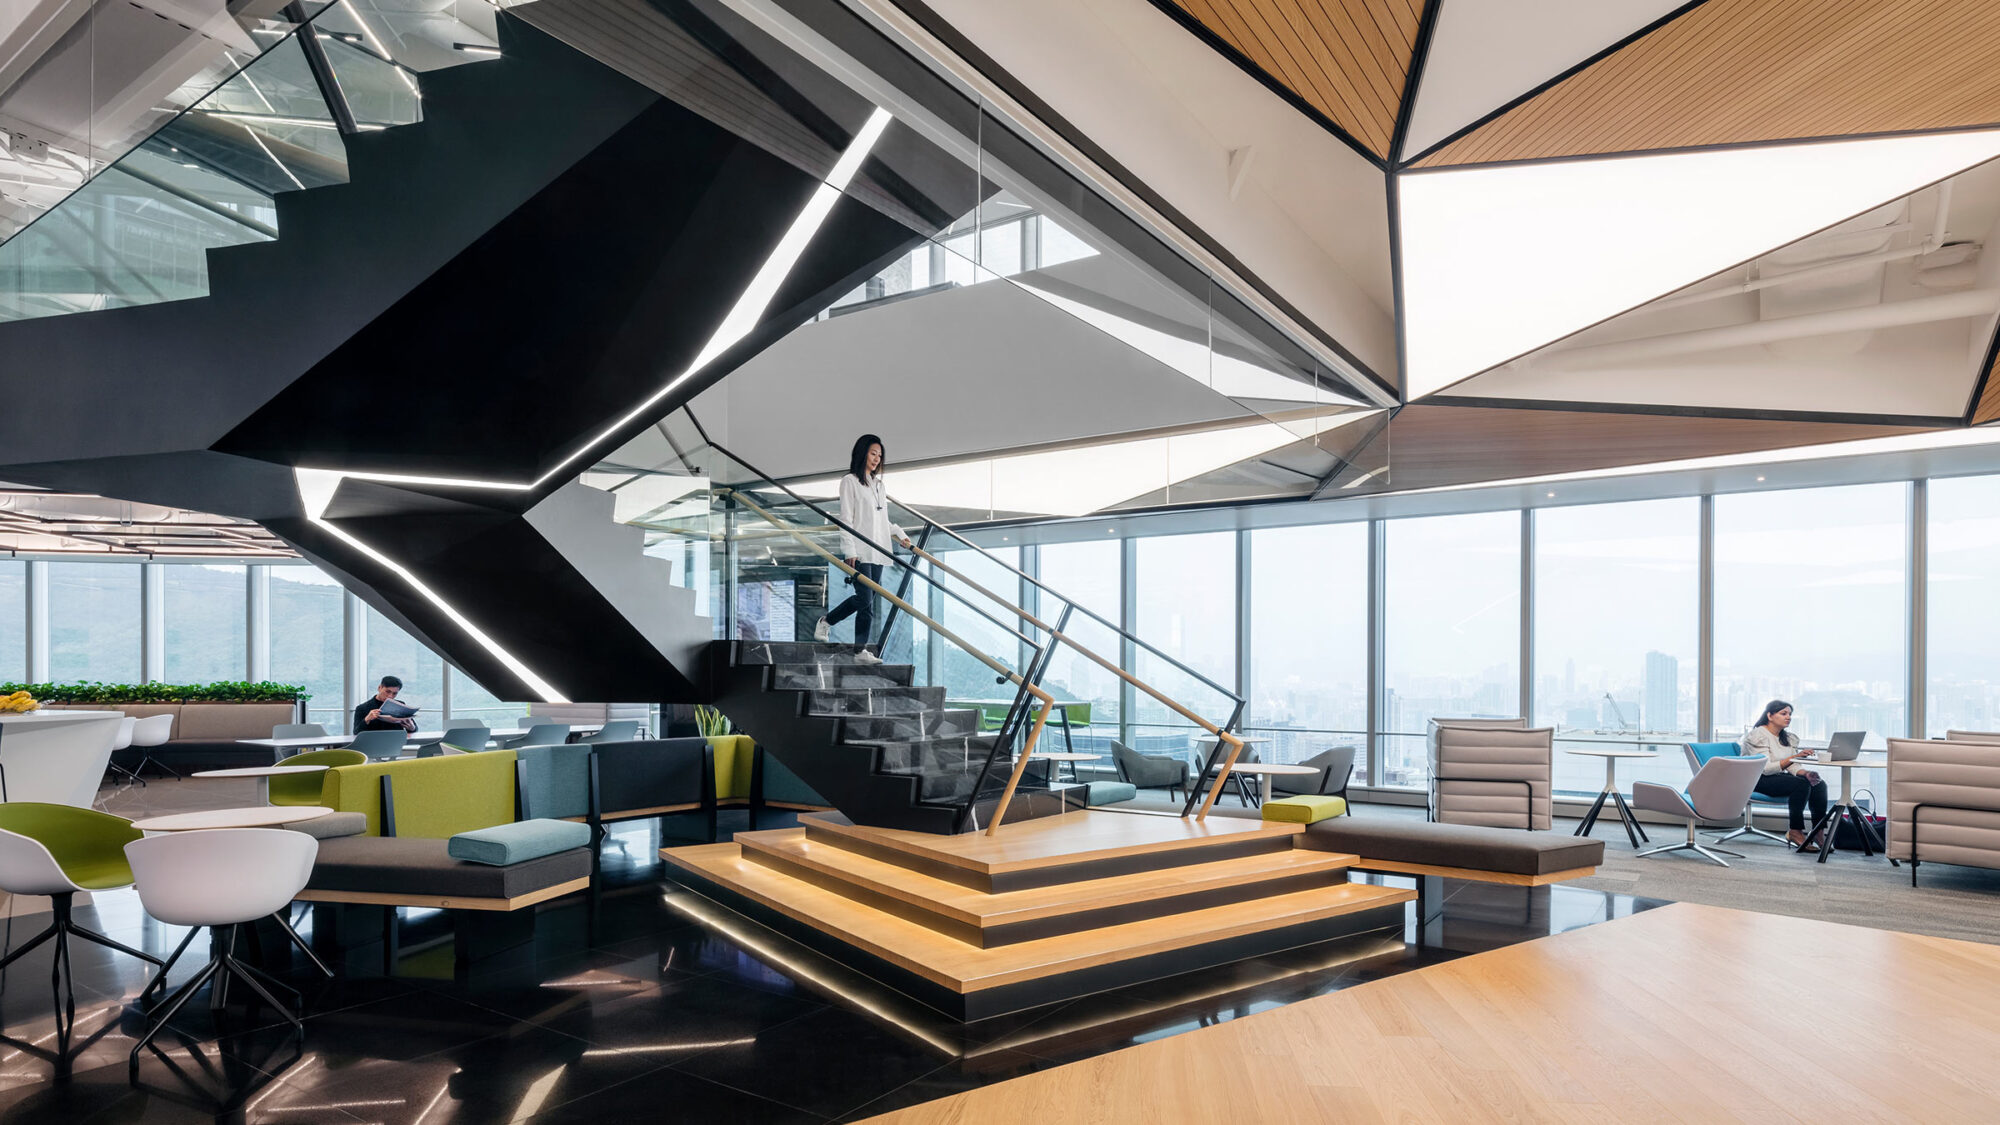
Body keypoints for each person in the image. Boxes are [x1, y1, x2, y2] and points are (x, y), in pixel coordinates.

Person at [814, 434, 912, 666]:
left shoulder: (879, 485)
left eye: (880, 455)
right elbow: (846, 519)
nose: (877, 458)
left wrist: (900, 534)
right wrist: (849, 550)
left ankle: (859, 651)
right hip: (859, 551)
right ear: (862, 453)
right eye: (873, 453)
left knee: (866, 602)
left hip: (878, 552)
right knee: (865, 599)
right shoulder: (850, 482)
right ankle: (827, 622)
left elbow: (881, 522)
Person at [1742, 699, 1830, 852]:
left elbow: (1792, 766)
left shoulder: (1787, 738)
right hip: (1755, 778)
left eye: (1789, 714)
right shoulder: (1757, 736)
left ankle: (1818, 832)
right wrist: (1797, 756)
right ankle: (1795, 831)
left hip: (1774, 776)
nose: (1788, 717)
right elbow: (1767, 768)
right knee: (1800, 784)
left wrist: (1806, 773)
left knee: (1818, 783)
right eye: (1783, 713)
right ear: (1770, 716)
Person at [353, 675, 417, 734]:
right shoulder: (362, 708)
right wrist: (367, 719)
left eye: (394, 693)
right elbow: (356, 733)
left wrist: (412, 728)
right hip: (373, 744)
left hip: (395, 743)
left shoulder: (401, 705)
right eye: (388, 691)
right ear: (379, 688)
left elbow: (414, 729)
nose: (390, 696)